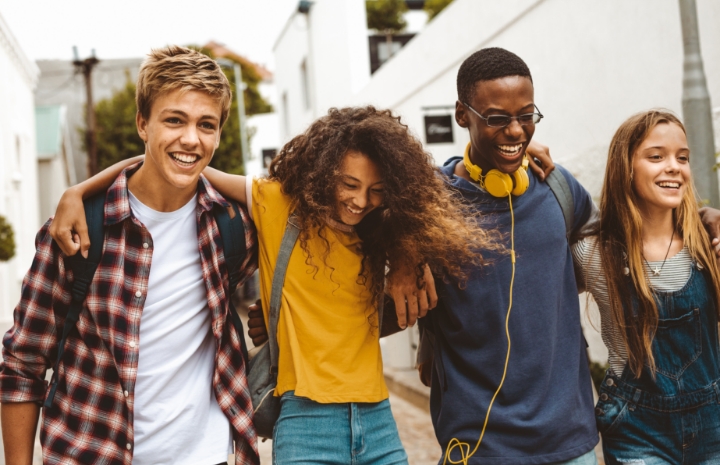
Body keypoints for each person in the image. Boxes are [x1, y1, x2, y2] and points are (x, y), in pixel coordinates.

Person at [47, 105, 560, 463]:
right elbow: (183, 167)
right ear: (322, 172)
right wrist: (81, 188)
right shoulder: (278, 206)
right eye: (348, 185)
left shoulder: (384, 231)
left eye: (377, 191)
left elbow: (446, 192)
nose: (360, 201)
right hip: (303, 423)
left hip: (378, 418)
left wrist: (516, 151)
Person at [0, 46, 260, 465]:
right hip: (92, 451)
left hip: (204, 456)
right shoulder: (78, 229)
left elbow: (315, 225)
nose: (191, 138)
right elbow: (22, 364)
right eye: (174, 120)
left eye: (205, 125)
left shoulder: (233, 228)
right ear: (143, 123)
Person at [419, 47, 601, 465]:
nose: (517, 131)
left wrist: (702, 216)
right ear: (462, 115)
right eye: (498, 118)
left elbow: (626, 235)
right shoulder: (430, 206)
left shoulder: (557, 188)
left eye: (527, 115)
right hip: (480, 448)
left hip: (572, 443)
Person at [572, 110, 720, 464]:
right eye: (657, 156)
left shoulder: (708, 242)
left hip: (713, 424)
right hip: (636, 427)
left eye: (681, 158)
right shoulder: (593, 253)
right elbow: (539, 289)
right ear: (626, 167)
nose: (674, 167)